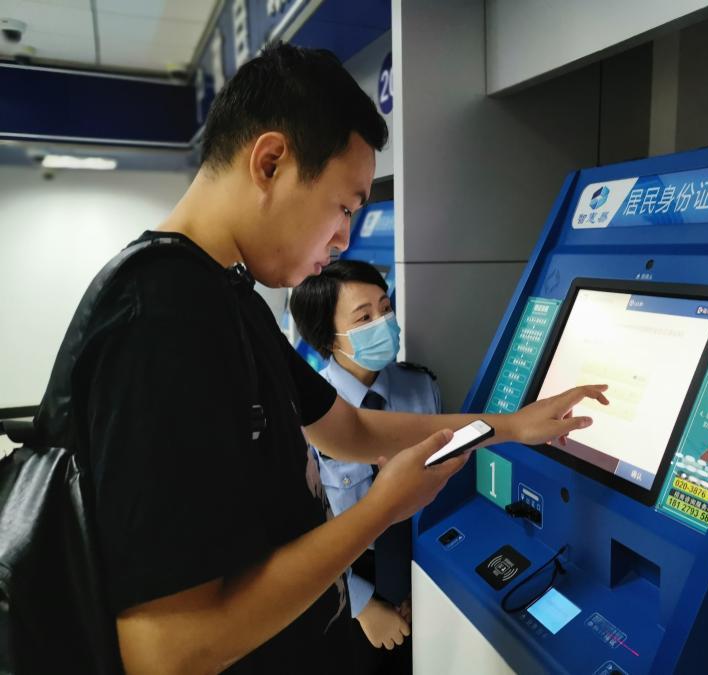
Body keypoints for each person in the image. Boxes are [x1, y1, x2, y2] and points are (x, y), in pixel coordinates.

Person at [39, 43, 608, 674]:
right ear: (271, 162)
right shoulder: (160, 320)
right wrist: (381, 509)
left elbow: (350, 429)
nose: (343, 239)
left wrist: (509, 426)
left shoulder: (226, 297)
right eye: (343, 207)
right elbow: (168, 653)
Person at [291, 259, 439, 673]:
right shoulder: (306, 415)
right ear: (328, 337)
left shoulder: (422, 387)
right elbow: (302, 529)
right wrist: (362, 606)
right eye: (364, 317)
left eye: (385, 308)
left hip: (421, 572)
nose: (384, 323)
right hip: (345, 585)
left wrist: (423, 587)